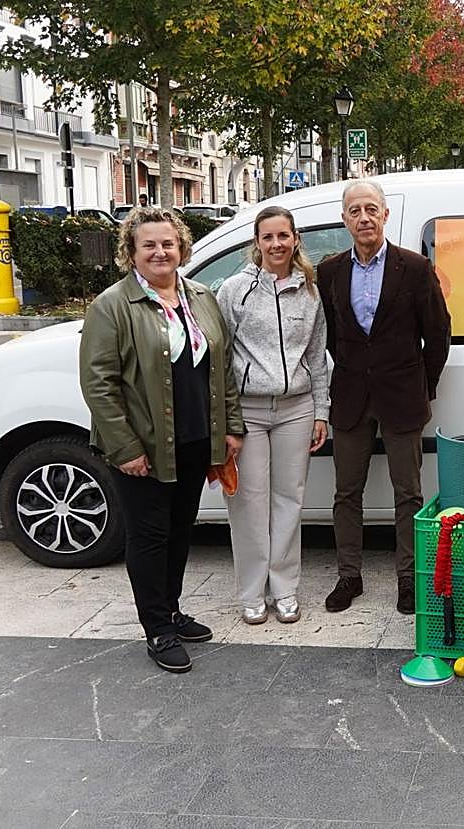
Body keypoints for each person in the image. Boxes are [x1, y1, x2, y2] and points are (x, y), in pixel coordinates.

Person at [79, 207, 243, 673]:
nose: (160, 251)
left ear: (182, 248)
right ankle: (158, 629)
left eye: (168, 243)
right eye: (148, 244)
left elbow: (222, 368)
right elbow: (99, 384)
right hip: (144, 448)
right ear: (130, 252)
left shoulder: (200, 296)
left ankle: (171, 609)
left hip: (193, 440)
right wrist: (125, 448)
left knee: (177, 531)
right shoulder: (112, 306)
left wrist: (230, 427)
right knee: (149, 537)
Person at [318, 180, 451, 614]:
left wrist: (421, 385)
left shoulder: (413, 268)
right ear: (344, 219)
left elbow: (438, 334)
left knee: (408, 492)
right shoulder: (330, 271)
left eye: (371, 209)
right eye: (355, 210)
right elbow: (334, 337)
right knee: (345, 492)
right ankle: (348, 576)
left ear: (385, 215)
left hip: (402, 396)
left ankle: (408, 579)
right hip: (352, 395)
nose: (364, 218)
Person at [217, 206, 329, 625]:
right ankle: (251, 593)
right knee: (248, 503)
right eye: (268, 237)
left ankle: (284, 589)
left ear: (295, 238)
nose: (277, 244)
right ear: (257, 242)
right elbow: (222, 359)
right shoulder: (234, 290)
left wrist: (321, 410)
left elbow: (318, 357)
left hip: (296, 408)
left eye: (284, 236)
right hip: (248, 411)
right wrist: (227, 419)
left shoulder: (311, 292)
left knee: (288, 501)